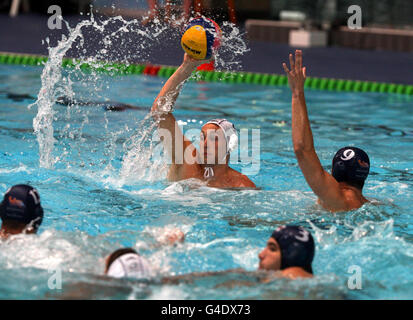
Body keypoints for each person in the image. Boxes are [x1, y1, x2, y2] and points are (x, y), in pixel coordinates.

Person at [151, 53, 256, 189]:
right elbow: (159, 111)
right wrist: (187, 67)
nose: (205, 144)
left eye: (214, 139)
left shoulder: (241, 184)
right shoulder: (186, 162)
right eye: (203, 138)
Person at [283, 50, 370, 212]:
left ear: (333, 171)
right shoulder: (369, 204)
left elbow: (302, 149)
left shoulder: (335, 197)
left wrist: (297, 93)